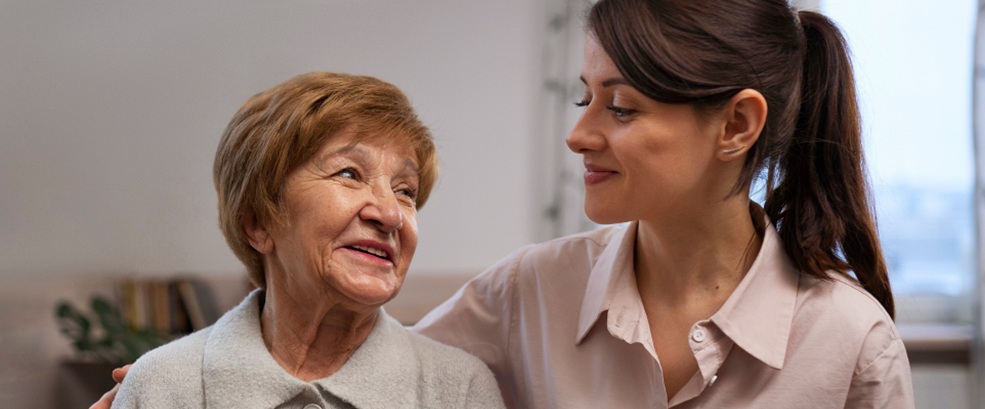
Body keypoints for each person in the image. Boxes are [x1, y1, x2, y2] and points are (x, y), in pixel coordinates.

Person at [95, 0, 913, 408]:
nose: (580, 135)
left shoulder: (850, 345)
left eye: (620, 108)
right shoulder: (527, 291)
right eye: (582, 98)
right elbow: (363, 368)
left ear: (736, 124)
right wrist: (175, 381)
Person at [107, 72, 505, 408]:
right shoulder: (162, 388)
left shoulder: (460, 391)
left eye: (406, 191)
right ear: (258, 224)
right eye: (349, 174)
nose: (390, 214)